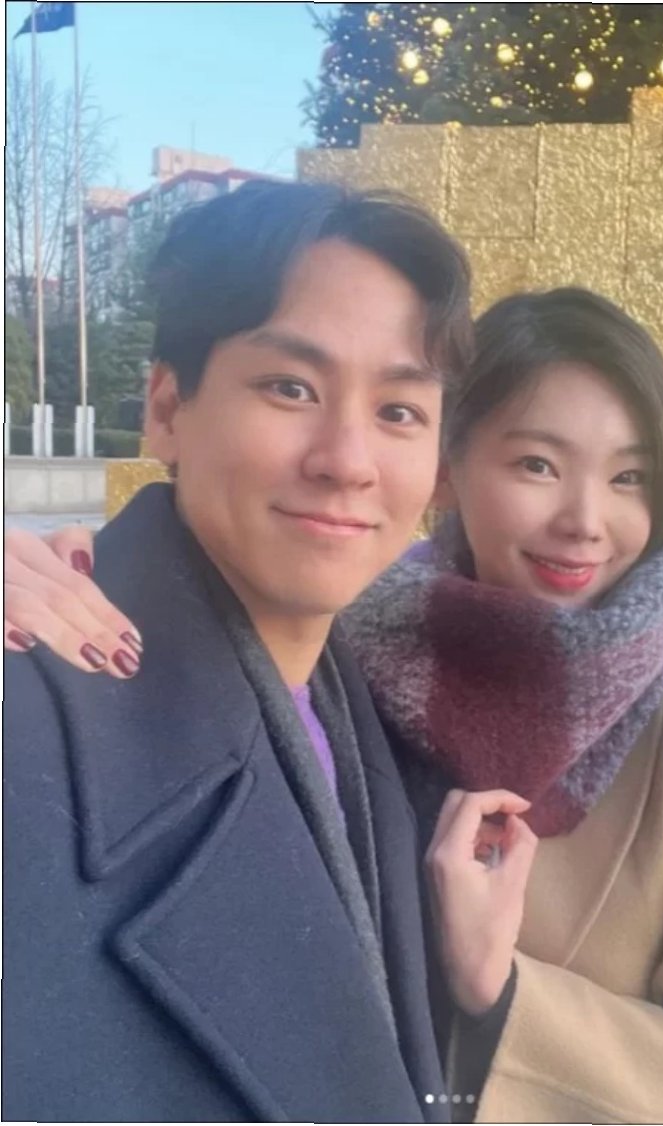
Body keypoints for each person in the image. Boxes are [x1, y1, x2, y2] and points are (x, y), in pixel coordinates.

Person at [5, 284, 663, 1121]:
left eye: (631, 478)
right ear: (449, 467)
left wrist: (503, 993)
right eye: (538, 465)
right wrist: (65, 581)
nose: (586, 521)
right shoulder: (342, 659)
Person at [2, 178, 536, 1123]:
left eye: (399, 411)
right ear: (167, 407)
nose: (348, 461)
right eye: (291, 388)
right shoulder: (29, 714)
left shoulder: (372, 707)